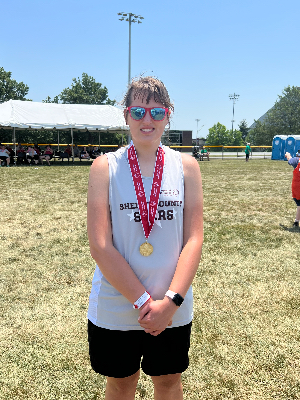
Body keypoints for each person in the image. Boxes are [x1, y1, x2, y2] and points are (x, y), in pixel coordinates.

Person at [87, 76, 203, 400]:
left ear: (168, 115)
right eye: (138, 112)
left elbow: (193, 239)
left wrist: (170, 303)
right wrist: (144, 302)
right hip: (117, 305)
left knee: (168, 382)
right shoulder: (104, 167)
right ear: (126, 116)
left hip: (172, 305)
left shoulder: (187, 167)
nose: (146, 120)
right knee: (121, 385)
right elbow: (100, 244)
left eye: (156, 111)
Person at [285, 151, 300, 227]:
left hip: (297, 189)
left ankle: (296, 221)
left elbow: (289, 159)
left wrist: (288, 154)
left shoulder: (297, 161)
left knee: (299, 204)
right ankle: (296, 221)